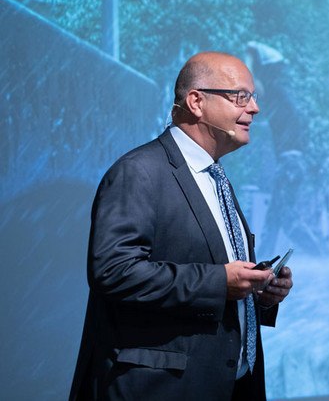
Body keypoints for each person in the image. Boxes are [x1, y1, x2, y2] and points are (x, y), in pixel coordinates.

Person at [69, 52, 293, 401]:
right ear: (196, 102)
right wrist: (221, 282)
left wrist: (257, 292)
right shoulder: (138, 172)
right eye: (241, 97)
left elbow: (204, 265)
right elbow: (113, 272)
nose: (255, 109)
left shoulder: (216, 177)